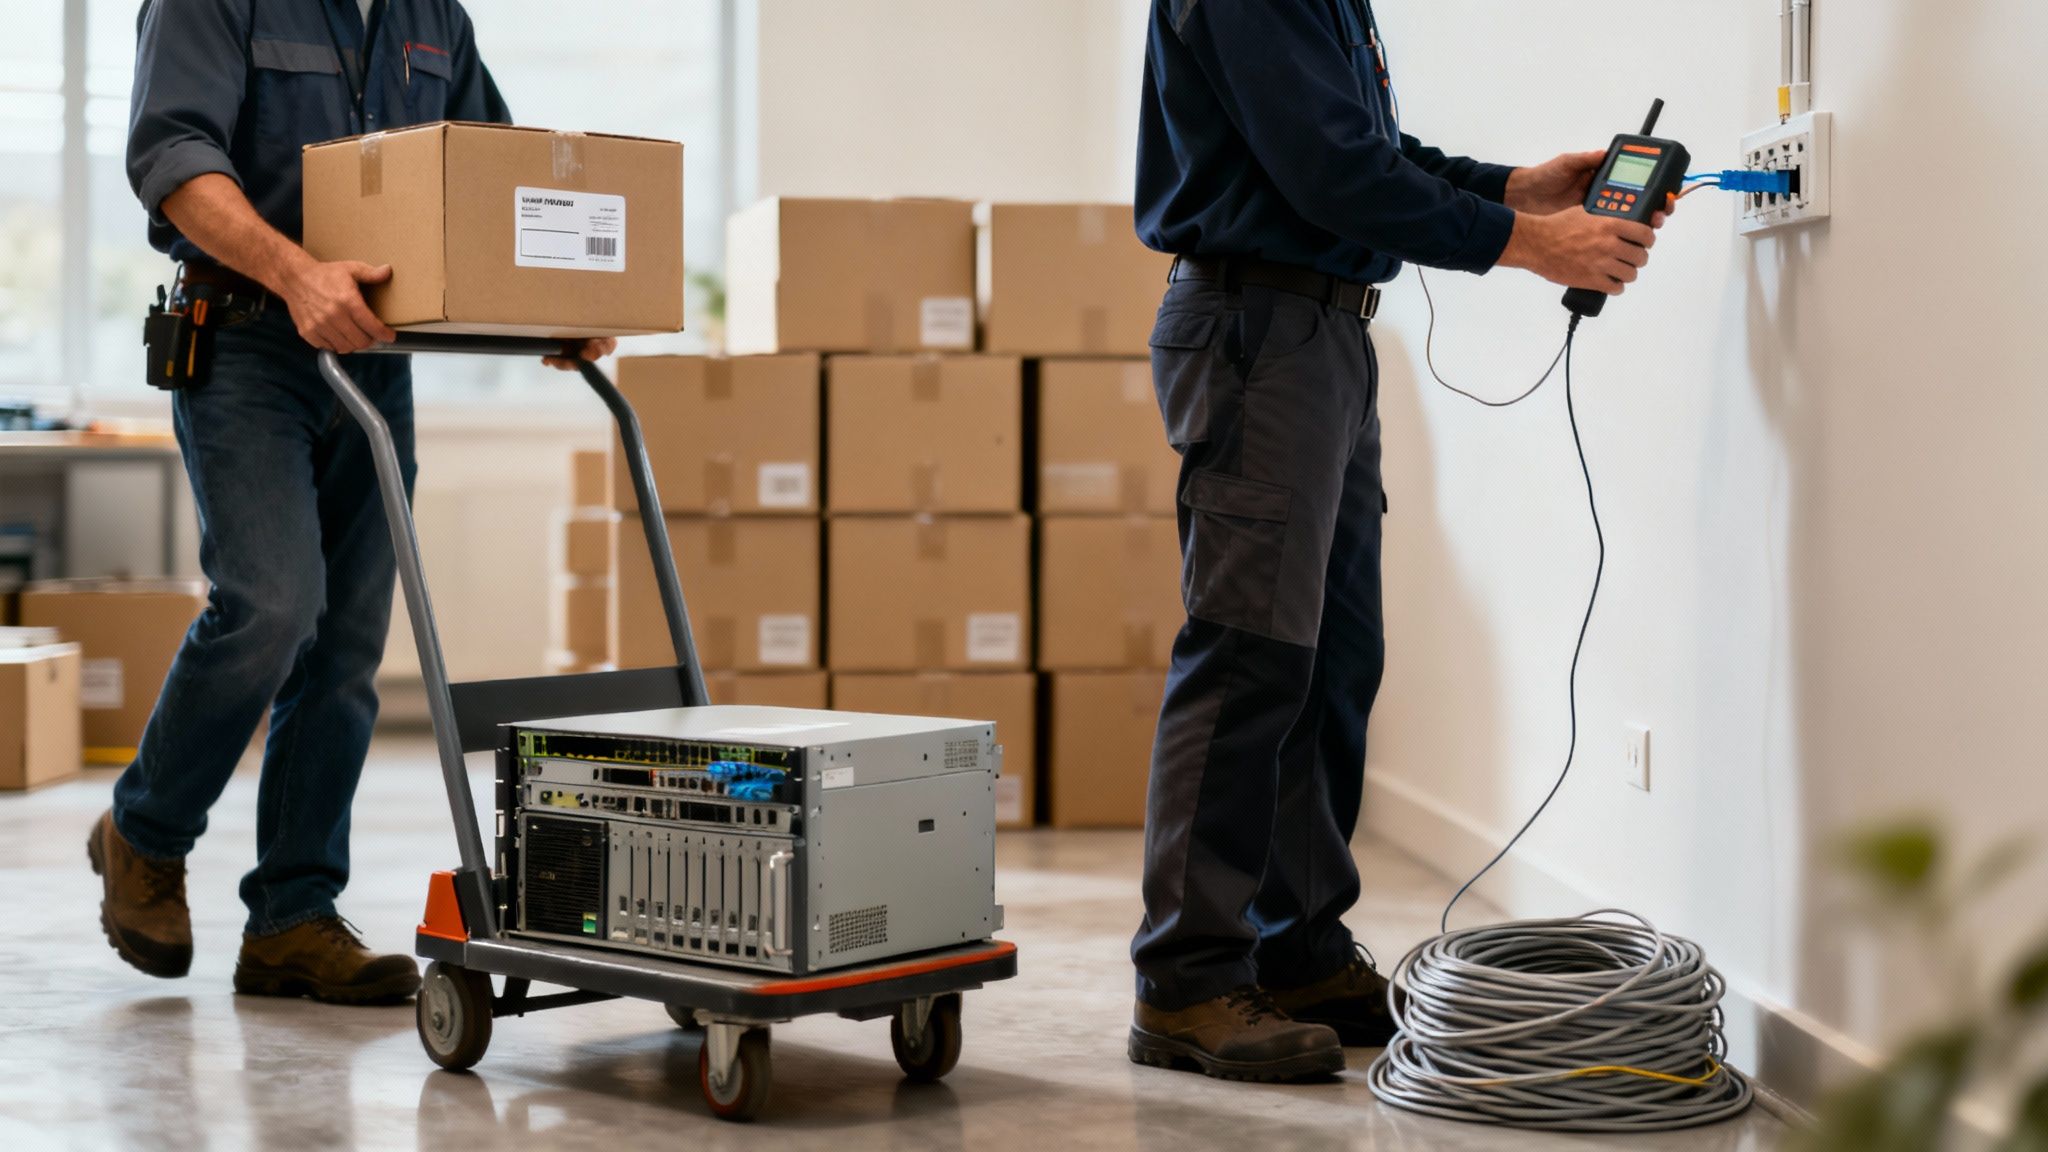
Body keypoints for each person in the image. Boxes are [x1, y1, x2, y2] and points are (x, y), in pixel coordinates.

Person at [1126, 0, 1668, 1081]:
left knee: (1329, 661)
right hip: (1259, 332)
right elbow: (1329, 175)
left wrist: (1511, 189)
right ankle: (1186, 982)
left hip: (1319, 332)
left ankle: (1298, 952)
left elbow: (1370, 153)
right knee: (1249, 657)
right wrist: (1526, 243)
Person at [89, 0, 613, 1004]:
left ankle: (292, 917)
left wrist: (554, 311)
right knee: (273, 604)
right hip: (243, 340)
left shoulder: (432, 17)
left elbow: (485, 178)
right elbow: (173, 155)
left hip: (376, 358)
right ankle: (144, 833)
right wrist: (294, 274)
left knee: (346, 650)